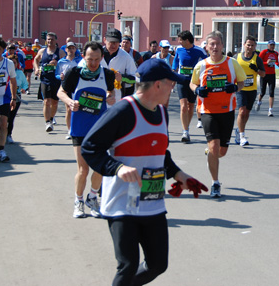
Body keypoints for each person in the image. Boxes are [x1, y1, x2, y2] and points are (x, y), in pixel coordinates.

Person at [81, 58, 207, 285]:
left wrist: (179, 175)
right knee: (128, 265)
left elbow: (160, 152)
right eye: (171, 83)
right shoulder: (123, 111)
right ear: (158, 85)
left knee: (158, 264)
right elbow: (90, 148)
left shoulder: (162, 112)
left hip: (152, 199)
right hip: (122, 202)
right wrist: (117, 167)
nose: (173, 88)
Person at [58, 41, 116, 218]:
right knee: (83, 169)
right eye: (90, 59)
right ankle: (78, 201)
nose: (93, 63)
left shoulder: (106, 74)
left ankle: (92, 198)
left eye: (97, 60)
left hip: (100, 128)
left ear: (102, 58)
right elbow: (60, 92)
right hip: (80, 127)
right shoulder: (74, 73)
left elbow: (110, 92)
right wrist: (70, 102)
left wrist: (109, 97)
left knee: (99, 167)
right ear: (83, 57)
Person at [190, 30, 246, 198]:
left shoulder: (232, 63)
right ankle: (215, 183)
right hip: (207, 111)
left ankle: (210, 153)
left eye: (217, 44)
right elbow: (192, 84)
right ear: (206, 47)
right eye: (211, 44)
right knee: (214, 147)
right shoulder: (201, 65)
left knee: (221, 152)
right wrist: (198, 90)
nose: (214, 47)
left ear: (222, 45)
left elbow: (242, 82)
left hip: (227, 111)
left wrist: (235, 87)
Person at [171, 30, 207, 143]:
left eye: (180, 39)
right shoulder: (179, 50)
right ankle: (185, 131)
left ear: (187, 40)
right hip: (181, 80)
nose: (179, 42)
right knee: (183, 106)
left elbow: (207, 62)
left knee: (191, 106)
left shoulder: (199, 51)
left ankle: (187, 126)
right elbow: (175, 63)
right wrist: (173, 76)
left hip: (194, 82)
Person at [234, 36, 265, 146]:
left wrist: (256, 69)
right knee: (241, 111)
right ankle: (242, 136)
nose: (250, 47)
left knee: (246, 113)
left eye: (252, 45)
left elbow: (263, 74)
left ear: (255, 46)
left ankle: (239, 130)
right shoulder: (237, 57)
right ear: (244, 45)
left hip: (252, 89)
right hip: (240, 88)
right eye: (248, 45)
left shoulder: (257, 59)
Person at [34, 32, 65, 132]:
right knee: (46, 101)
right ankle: (47, 122)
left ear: (55, 40)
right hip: (45, 79)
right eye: (48, 39)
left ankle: (51, 119)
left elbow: (65, 64)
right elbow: (35, 60)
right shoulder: (42, 51)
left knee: (55, 102)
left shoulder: (60, 52)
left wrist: (60, 68)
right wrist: (36, 69)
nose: (49, 41)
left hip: (56, 80)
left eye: (51, 39)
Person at [102, 28, 138, 102]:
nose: (114, 45)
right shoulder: (96, 54)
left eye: (117, 42)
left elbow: (135, 79)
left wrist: (122, 77)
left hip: (116, 99)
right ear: (105, 40)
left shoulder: (126, 57)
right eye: (111, 42)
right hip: (96, 96)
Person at [57, 42, 83, 139]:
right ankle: (70, 130)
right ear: (66, 50)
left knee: (77, 108)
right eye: (69, 48)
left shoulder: (79, 61)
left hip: (77, 86)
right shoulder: (61, 62)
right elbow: (56, 74)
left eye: (73, 48)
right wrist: (60, 77)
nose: (71, 50)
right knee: (68, 108)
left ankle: (76, 128)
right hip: (66, 86)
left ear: (75, 49)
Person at [5, 47, 29, 144]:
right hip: (5, 97)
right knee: (3, 117)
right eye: (11, 63)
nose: (13, 65)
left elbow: (25, 84)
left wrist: (24, 89)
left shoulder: (19, 73)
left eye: (14, 63)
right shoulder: (4, 72)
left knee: (11, 118)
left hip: (17, 97)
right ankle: (1, 135)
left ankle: (9, 135)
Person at [256, 40, 279, 117]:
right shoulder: (264, 52)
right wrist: (265, 63)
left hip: (272, 74)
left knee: (271, 92)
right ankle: (259, 101)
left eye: (273, 45)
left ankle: (270, 110)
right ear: (268, 45)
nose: (272, 46)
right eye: (271, 45)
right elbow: (258, 62)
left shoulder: (276, 53)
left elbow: (276, 62)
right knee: (262, 92)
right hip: (264, 74)